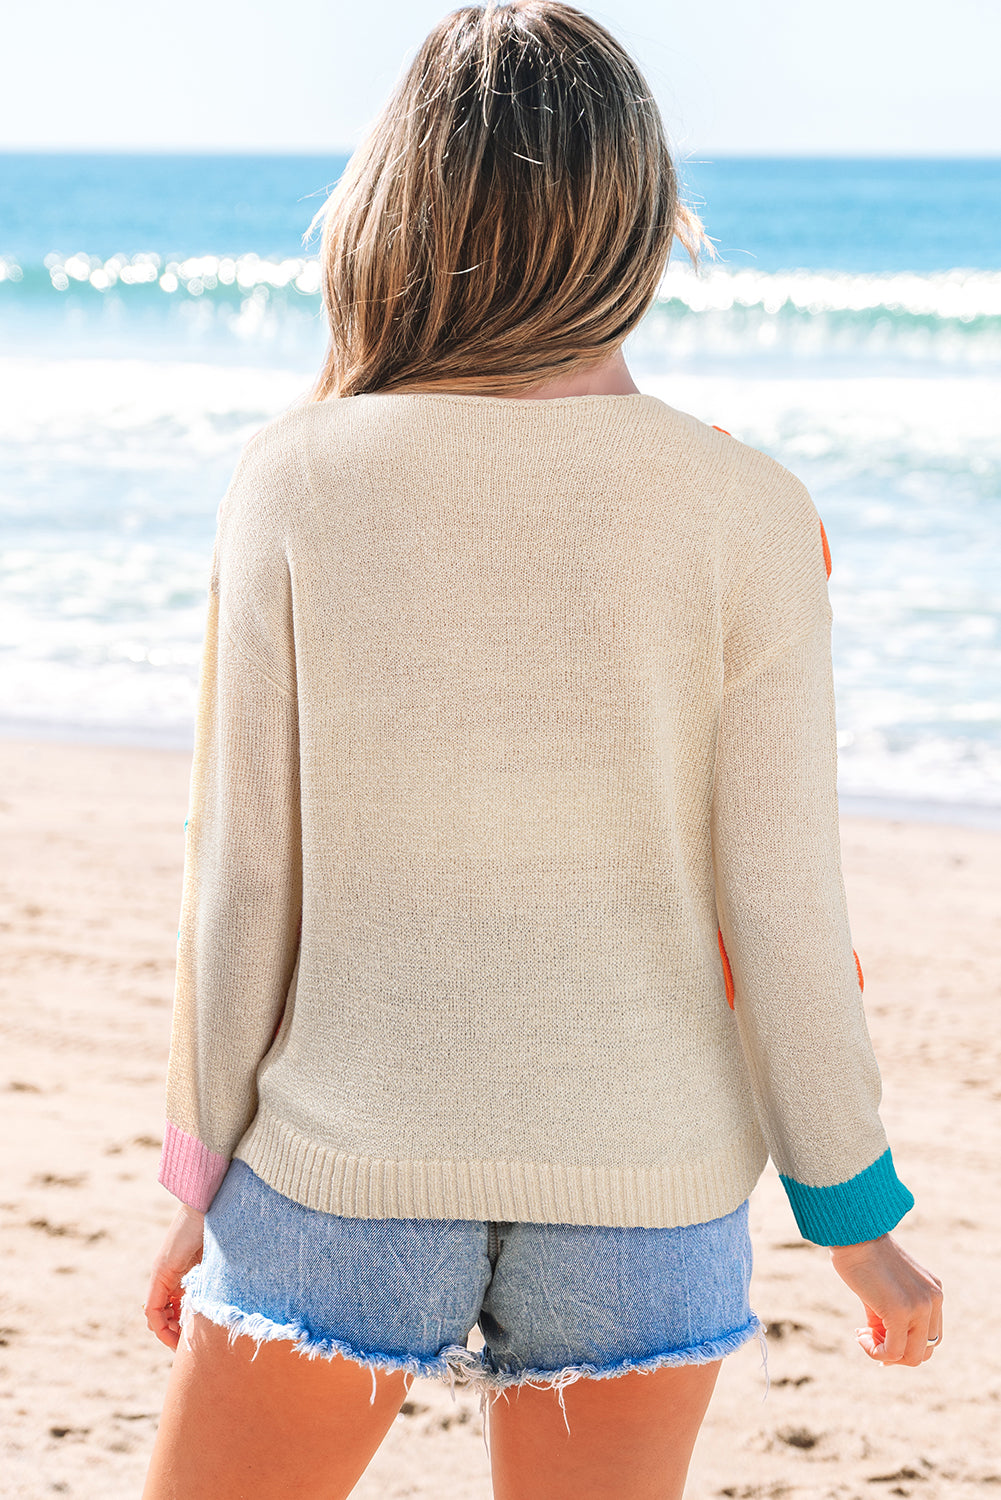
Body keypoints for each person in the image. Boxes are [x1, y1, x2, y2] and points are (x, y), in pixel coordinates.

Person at [141, 4, 943, 1497]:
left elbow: (244, 878)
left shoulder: (293, 479)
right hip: (651, 1187)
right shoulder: (750, 511)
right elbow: (781, 906)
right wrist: (853, 1214)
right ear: (640, 223)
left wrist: (195, 1178)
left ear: (400, 207)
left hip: (344, 1164)